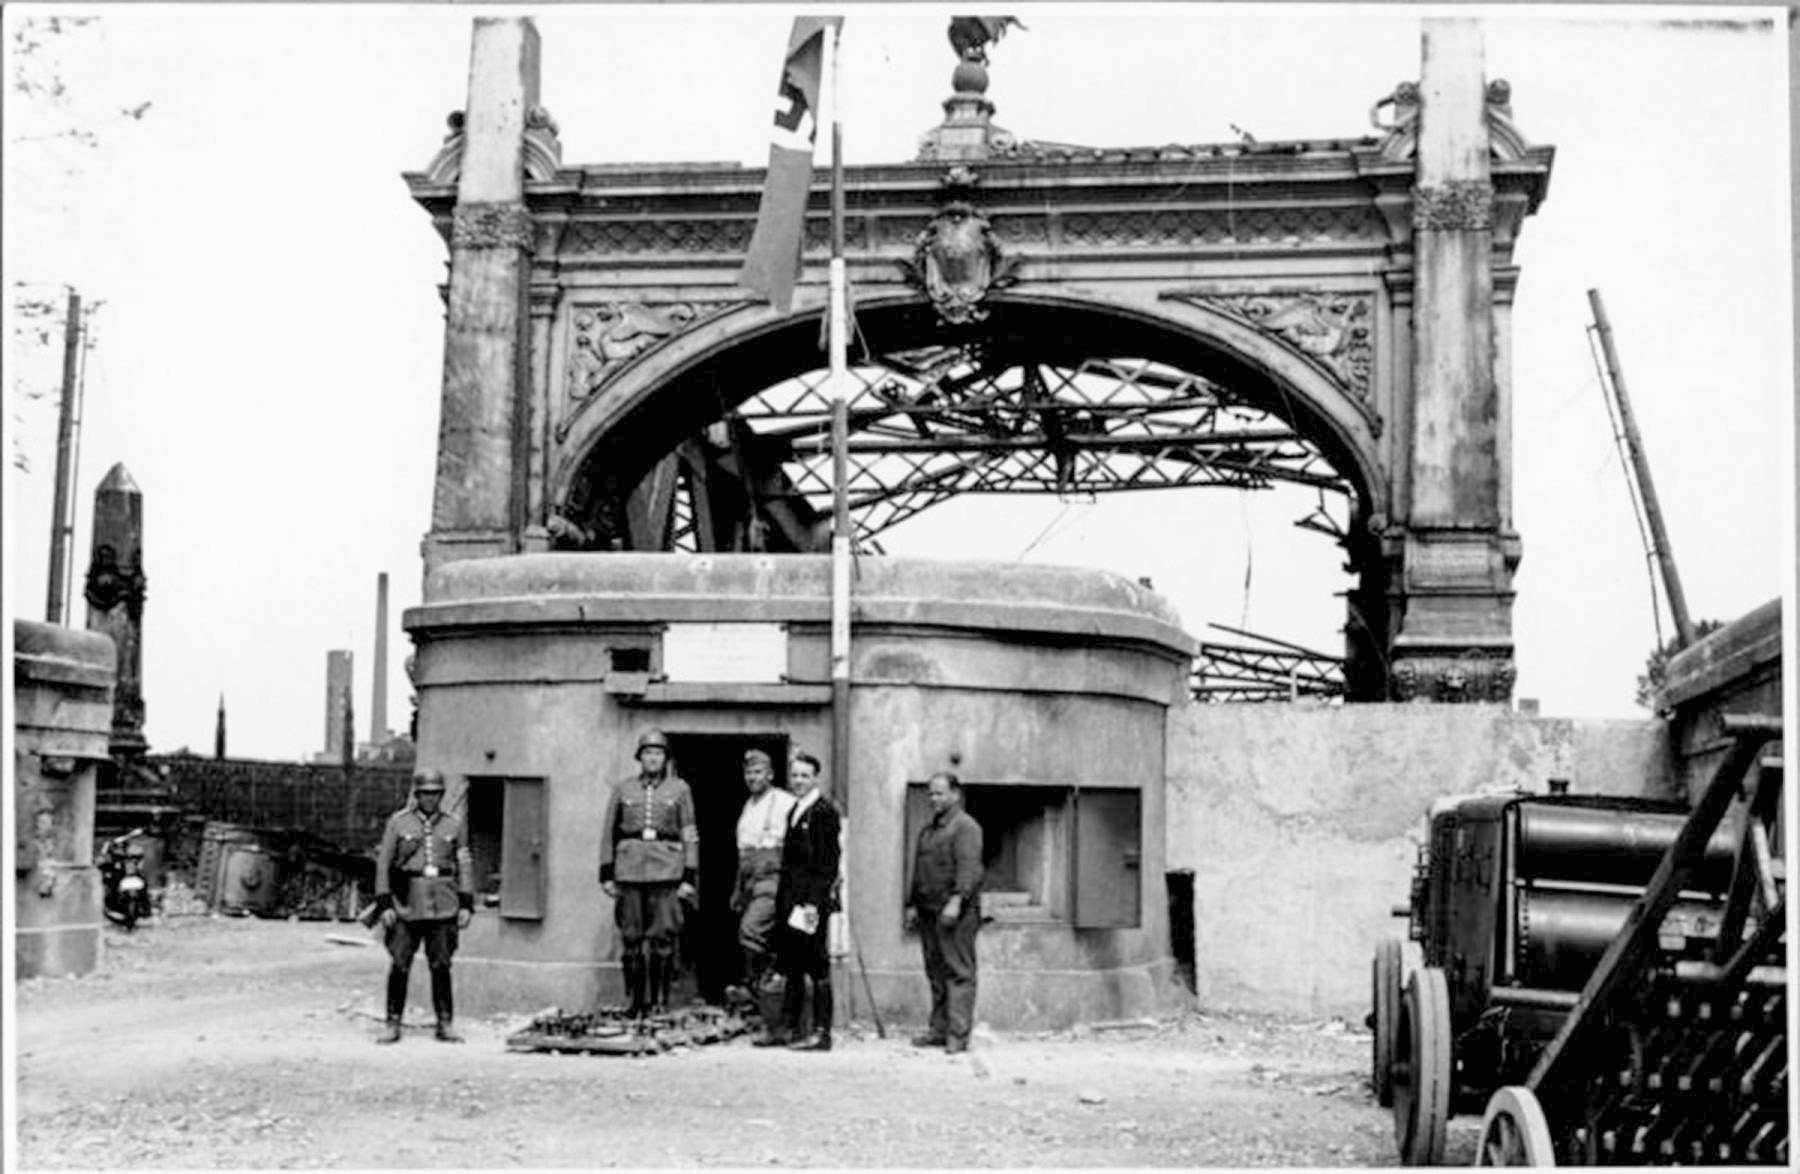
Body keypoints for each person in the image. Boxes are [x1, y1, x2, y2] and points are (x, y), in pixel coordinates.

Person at [599, 728, 698, 1017]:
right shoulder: (623, 789)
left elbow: (689, 833)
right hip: (628, 871)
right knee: (631, 940)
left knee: (662, 940)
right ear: (639, 758)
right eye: (647, 754)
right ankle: (634, 1002)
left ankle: (659, 1002)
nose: (653, 759)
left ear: (666, 758)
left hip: (667, 871)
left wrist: (689, 876)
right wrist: (606, 873)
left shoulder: (680, 789)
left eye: (658, 754)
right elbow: (609, 832)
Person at [373, 769, 475, 1044]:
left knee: (441, 964)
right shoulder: (399, 822)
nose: (430, 799)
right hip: (407, 903)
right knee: (400, 963)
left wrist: (466, 902)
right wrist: (384, 903)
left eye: (435, 793)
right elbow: (383, 864)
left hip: (444, 904)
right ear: (416, 796)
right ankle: (392, 1023)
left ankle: (445, 1023)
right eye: (425, 794)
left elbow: (464, 863)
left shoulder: (453, 824)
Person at [756, 751, 841, 1051]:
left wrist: (813, 906)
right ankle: (790, 1028)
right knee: (792, 962)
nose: (799, 781)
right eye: (795, 776)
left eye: (805, 776)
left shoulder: (823, 812)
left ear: (815, 778)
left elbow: (827, 865)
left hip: (809, 904)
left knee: (816, 964)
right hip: (790, 902)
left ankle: (821, 1032)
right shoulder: (794, 810)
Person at [905, 770, 984, 1053]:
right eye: (930, 793)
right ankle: (938, 1030)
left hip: (955, 912)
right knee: (936, 973)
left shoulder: (966, 827)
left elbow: (969, 868)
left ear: (955, 794)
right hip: (928, 910)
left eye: (939, 793)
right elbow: (920, 870)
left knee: (959, 972)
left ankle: (958, 1035)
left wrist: (957, 901)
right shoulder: (929, 830)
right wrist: (912, 904)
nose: (933, 798)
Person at [728, 748, 795, 1016]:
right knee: (753, 934)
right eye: (748, 772)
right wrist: (737, 890)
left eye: (758, 772)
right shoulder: (748, 805)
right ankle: (762, 998)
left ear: (770, 774)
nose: (753, 778)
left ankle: (757, 989)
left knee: (751, 930)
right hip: (749, 879)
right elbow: (743, 852)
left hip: (772, 878)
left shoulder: (784, 801)